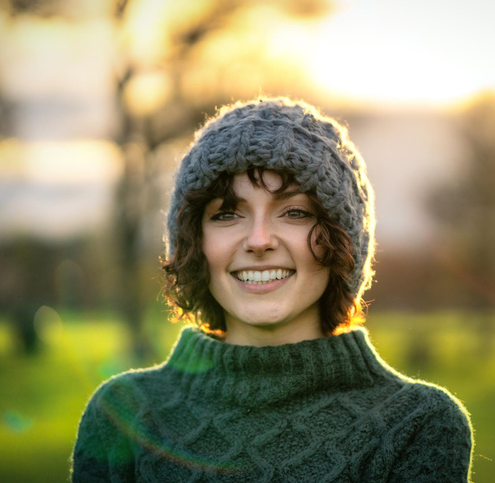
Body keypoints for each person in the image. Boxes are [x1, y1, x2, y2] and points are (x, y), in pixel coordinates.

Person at [71, 97, 473, 482]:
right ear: (194, 241)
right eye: (227, 213)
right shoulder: (121, 415)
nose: (259, 240)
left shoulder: (417, 424)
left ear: (342, 241)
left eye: (295, 212)